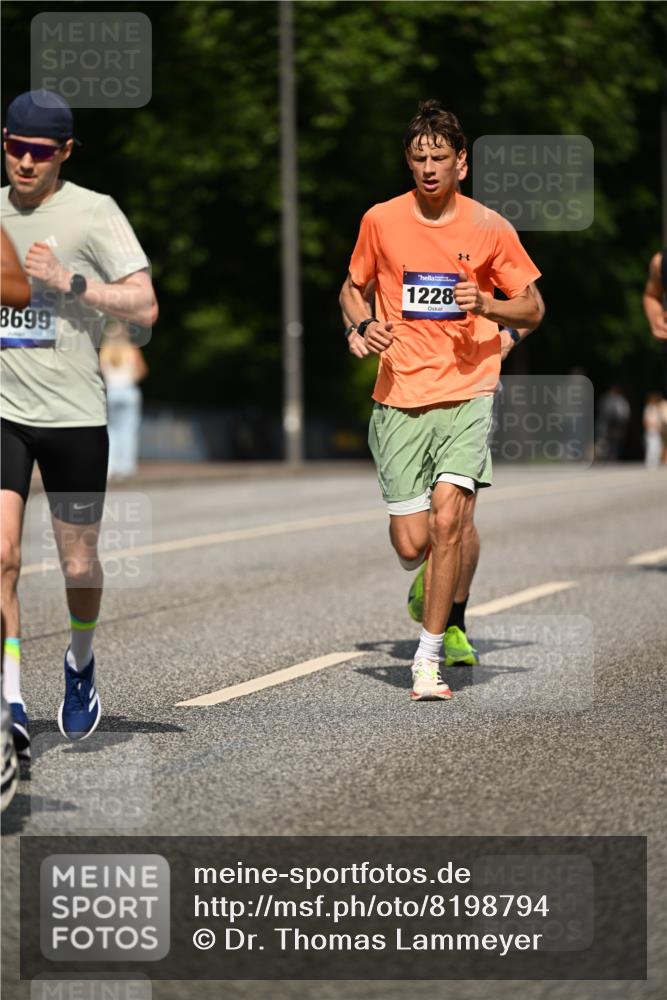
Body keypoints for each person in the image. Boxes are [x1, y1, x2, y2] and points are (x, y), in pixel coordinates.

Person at [339, 99, 542, 701]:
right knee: (412, 546)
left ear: (462, 163)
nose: (429, 168)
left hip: (466, 389)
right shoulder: (381, 220)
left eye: (439, 158)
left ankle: (428, 658)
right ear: (409, 162)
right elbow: (352, 288)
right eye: (419, 158)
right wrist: (359, 326)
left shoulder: (489, 227)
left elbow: (532, 308)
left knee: (452, 517)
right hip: (400, 391)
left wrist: (488, 305)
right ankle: (431, 579)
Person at [1, 90, 158, 759]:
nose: (25, 163)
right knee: (2, 556)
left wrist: (70, 282)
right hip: (4, 413)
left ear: (64, 152)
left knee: (78, 562)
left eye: (39, 152)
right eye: (15, 148)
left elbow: (145, 306)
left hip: (73, 415)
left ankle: (80, 660)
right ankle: (10, 700)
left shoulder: (95, 212)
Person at [100, 320, 149, 480]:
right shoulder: (132, 350)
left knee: (111, 430)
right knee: (128, 429)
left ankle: (110, 466)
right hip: (129, 391)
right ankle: (126, 466)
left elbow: (100, 372)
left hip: (111, 392)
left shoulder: (105, 351)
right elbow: (142, 371)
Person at [642, 392, 664, 468]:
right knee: (651, 447)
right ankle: (649, 463)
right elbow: (646, 420)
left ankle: (655, 462)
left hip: (657, 430)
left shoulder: (656, 408)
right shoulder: (649, 408)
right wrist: (650, 426)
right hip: (651, 430)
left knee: (658, 446)